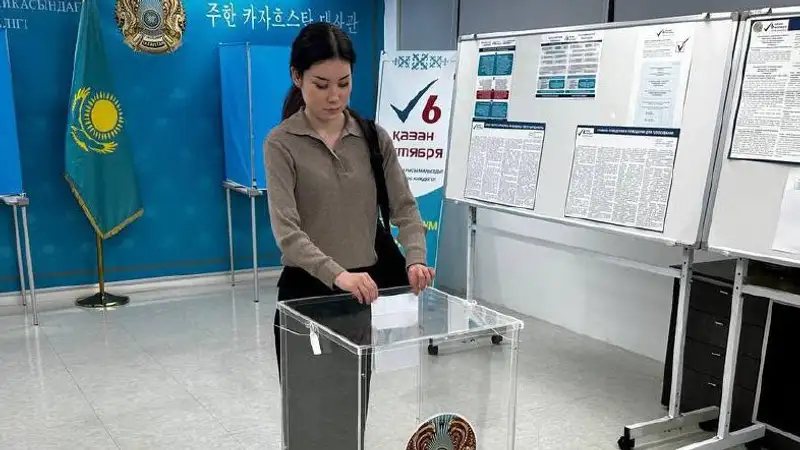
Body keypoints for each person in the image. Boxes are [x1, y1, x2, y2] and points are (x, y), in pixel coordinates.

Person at [263, 22, 436, 448]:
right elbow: (288, 233)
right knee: (308, 411)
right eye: (321, 85)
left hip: (362, 294)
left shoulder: (373, 137)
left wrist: (415, 257)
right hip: (307, 293)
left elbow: (405, 208)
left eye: (344, 83)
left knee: (351, 407)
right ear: (297, 77)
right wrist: (338, 275)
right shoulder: (281, 143)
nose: (334, 96)